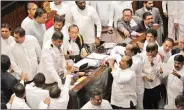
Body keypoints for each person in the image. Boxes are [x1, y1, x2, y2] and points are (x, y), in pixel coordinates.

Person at [140, 42, 162, 109]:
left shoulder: (158, 57)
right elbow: (138, 72)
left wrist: (152, 64)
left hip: (156, 85)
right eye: (156, 51)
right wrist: (146, 77)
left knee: (156, 104)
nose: (157, 52)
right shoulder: (141, 57)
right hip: (145, 86)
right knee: (147, 106)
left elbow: (159, 70)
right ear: (151, 51)